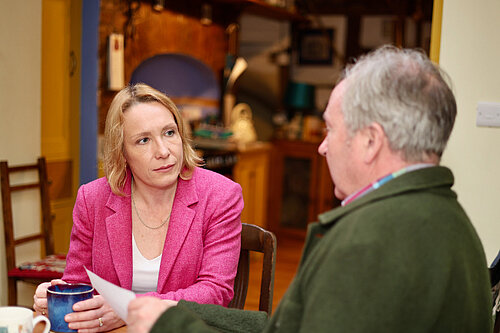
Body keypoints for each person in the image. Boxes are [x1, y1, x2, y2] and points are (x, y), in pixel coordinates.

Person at [126, 46, 493, 333]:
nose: (322, 146)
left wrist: (169, 326)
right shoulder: (448, 219)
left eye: (331, 129)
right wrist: (179, 309)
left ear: (370, 141)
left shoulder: (371, 240)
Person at [33, 83, 244, 331]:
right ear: (122, 153)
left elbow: (215, 293)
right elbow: (78, 283)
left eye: (169, 133)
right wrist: (55, 297)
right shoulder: (93, 199)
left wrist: (128, 309)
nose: (164, 151)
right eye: (143, 140)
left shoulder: (221, 195)